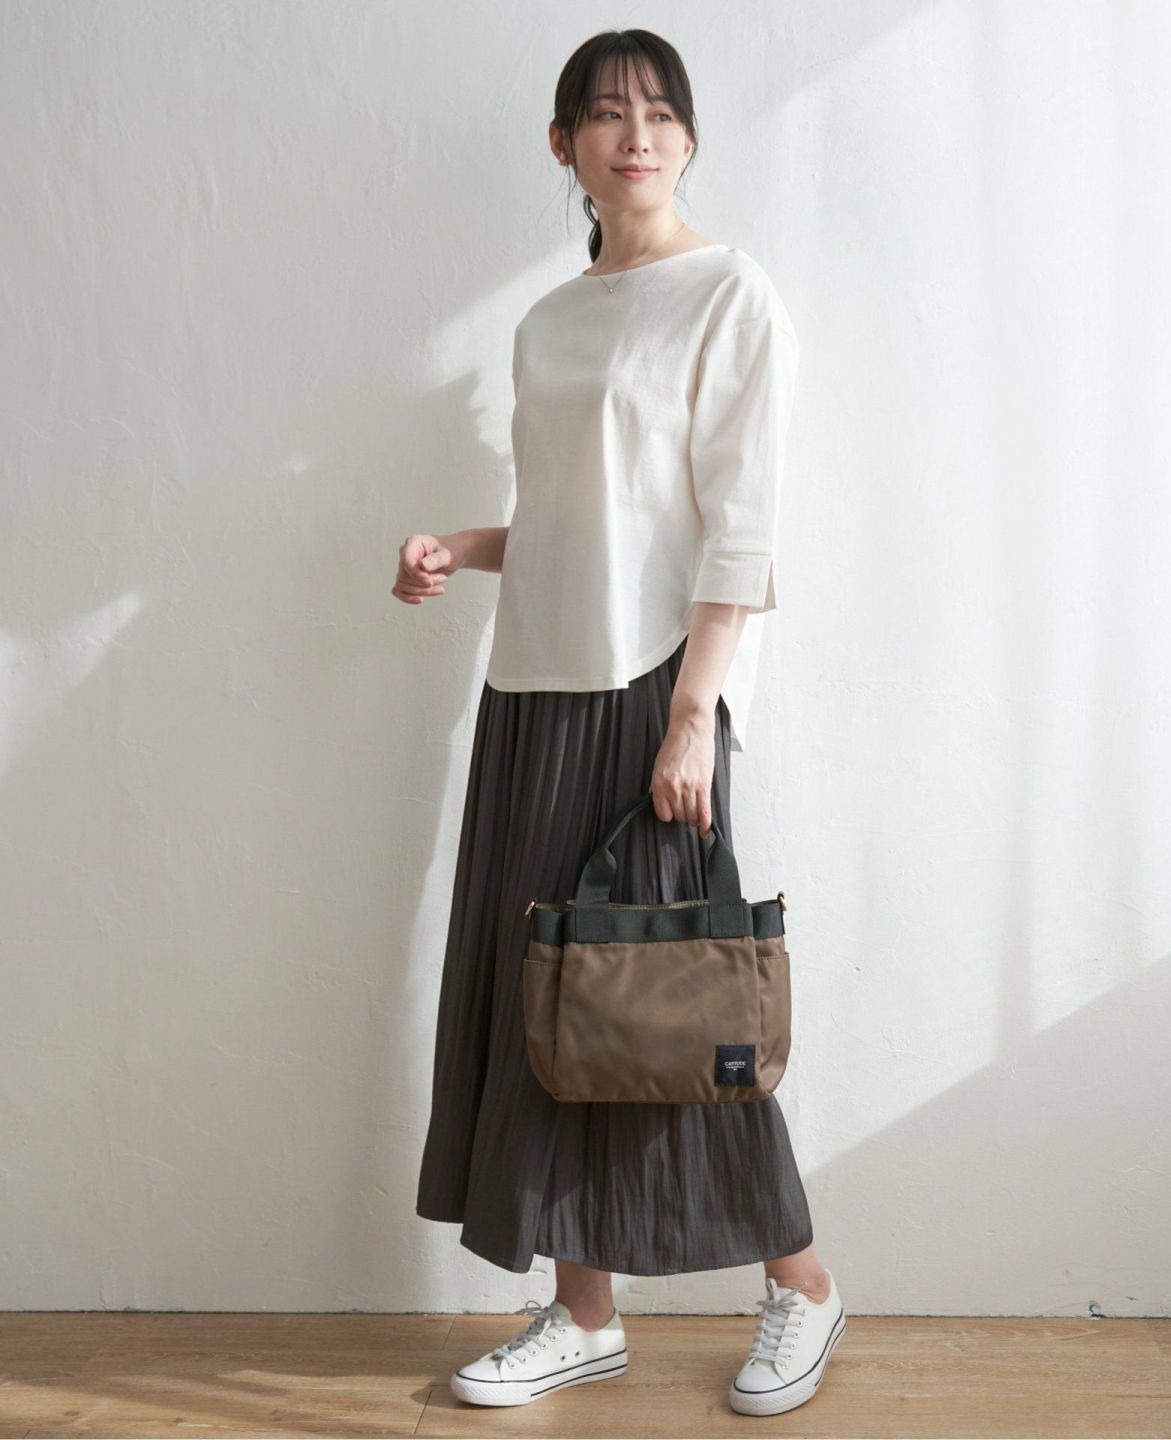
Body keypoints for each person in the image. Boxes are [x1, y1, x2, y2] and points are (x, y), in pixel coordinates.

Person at [397, 28, 846, 1419]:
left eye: (658, 113)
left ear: (690, 139)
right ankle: (584, 1314)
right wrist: (462, 548)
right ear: (564, 145)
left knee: (677, 1007)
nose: (634, 135)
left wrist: (695, 715)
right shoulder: (548, 323)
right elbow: (574, 519)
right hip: (531, 693)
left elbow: (738, 530)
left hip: (657, 689)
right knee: (558, 1008)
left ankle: (804, 1287)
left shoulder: (731, 295)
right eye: (604, 114)